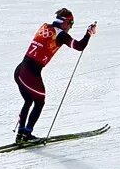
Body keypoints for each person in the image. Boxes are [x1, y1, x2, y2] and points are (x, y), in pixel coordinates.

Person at [14, 8, 97, 142]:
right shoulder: (60, 35)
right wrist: (88, 33)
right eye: (71, 24)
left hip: (19, 71)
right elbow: (79, 46)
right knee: (39, 102)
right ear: (65, 22)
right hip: (30, 75)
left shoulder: (45, 27)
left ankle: (21, 133)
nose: (70, 28)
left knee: (29, 101)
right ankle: (27, 135)